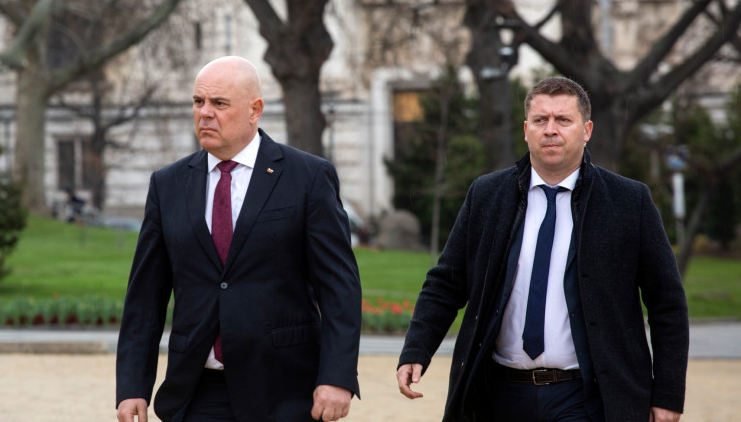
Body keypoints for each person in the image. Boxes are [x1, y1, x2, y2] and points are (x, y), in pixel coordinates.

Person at [396, 77, 689, 422]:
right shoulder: (487, 195)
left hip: (587, 398)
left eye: (563, 120)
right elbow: (445, 283)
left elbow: (667, 304)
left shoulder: (628, 202)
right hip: (499, 395)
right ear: (526, 130)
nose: (551, 130)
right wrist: (417, 348)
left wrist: (668, 394)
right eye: (540, 120)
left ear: (587, 129)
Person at [116, 56, 362, 422]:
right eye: (198, 102)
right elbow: (145, 298)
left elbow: (339, 288)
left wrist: (337, 377)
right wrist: (133, 385)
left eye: (219, 103)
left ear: (255, 109)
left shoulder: (307, 177)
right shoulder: (167, 185)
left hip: (286, 391)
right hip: (196, 391)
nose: (205, 113)